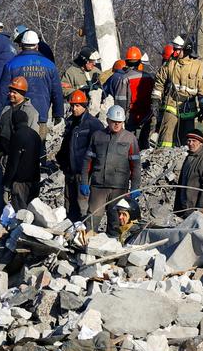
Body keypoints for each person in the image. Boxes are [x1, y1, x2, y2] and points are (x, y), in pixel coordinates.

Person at [80, 105, 142, 237]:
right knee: (92, 217)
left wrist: (135, 187)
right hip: (98, 187)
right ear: (108, 120)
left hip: (119, 188)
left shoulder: (130, 139)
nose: (117, 124)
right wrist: (84, 181)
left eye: (119, 122)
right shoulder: (97, 136)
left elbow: (135, 165)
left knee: (116, 220)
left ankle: (114, 247)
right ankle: (89, 247)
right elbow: (87, 161)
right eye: (114, 121)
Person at [0, 76, 40, 216]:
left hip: (19, 161)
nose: (11, 94)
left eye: (15, 92)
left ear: (23, 93)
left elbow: (32, 140)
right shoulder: (5, 110)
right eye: (10, 91)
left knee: (16, 197)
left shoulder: (31, 112)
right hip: (2, 159)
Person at [0, 30, 64, 136]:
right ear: (37, 45)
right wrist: (58, 115)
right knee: (38, 149)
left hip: (15, 116)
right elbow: (57, 93)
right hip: (41, 117)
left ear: (22, 45)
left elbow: (2, 93)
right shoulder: (50, 66)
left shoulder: (11, 65)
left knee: (14, 148)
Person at [151, 36, 203, 149]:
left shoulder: (198, 66)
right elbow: (159, 83)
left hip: (189, 107)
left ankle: (185, 157)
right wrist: (155, 100)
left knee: (187, 137)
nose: (175, 52)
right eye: (174, 49)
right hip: (171, 103)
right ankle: (164, 154)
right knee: (167, 134)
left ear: (187, 49)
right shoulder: (170, 64)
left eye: (178, 49)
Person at [56, 89, 103, 222]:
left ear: (84, 105)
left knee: (83, 206)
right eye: (72, 105)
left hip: (84, 173)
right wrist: (62, 162)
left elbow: (97, 150)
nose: (74, 109)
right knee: (69, 205)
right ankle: (70, 232)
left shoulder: (93, 124)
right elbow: (66, 146)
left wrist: (92, 171)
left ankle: (82, 233)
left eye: (77, 105)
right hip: (70, 171)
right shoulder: (71, 123)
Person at [104, 46, 154, 140]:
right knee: (144, 140)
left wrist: (120, 119)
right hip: (147, 114)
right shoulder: (149, 77)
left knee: (129, 141)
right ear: (140, 62)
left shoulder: (124, 78)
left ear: (126, 62)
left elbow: (120, 101)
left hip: (131, 116)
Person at [2, 106, 44, 212]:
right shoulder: (35, 135)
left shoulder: (17, 136)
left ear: (13, 122)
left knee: (20, 214)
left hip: (19, 182)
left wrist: (7, 185)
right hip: (34, 181)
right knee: (31, 213)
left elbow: (13, 162)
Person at [173, 129, 203, 216]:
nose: (191, 143)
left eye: (194, 141)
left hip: (196, 209)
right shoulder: (189, 157)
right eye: (189, 141)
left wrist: (202, 208)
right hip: (185, 207)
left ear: (200, 143)